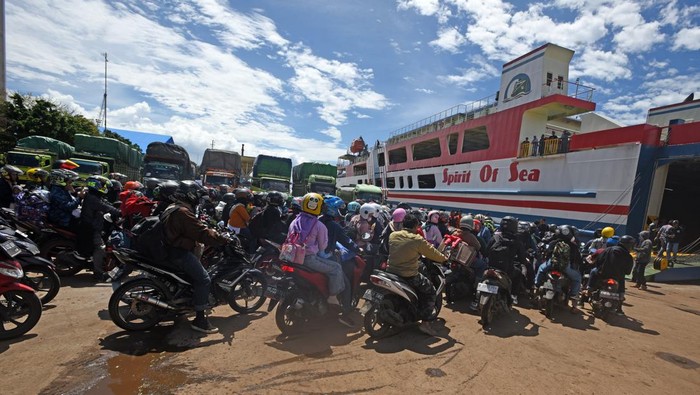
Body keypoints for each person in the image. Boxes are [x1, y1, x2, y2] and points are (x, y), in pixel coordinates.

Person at [163, 180, 229, 334]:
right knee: (204, 279)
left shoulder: (173, 207)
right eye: (198, 195)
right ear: (191, 195)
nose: (199, 199)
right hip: (178, 252)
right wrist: (219, 238)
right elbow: (200, 232)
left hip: (168, 249)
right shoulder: (182, 212)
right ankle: (200, 319)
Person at [386, 213, 448, 336]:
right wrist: (445, 259)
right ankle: (425, 324)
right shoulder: (417, 240)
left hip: (391, 272)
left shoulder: (393, 235)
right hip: (408, 274)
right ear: (415, 226)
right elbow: (433, 253)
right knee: (430, 292)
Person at [288, 193, 347, 309]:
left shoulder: (295, 221)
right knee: (336, 268)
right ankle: (332, 296)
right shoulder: (319, 225)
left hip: (290, 256)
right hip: (308, 259)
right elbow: (322, 247)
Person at [318, 195, 359, 327]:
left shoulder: (318, 221)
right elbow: (346, 241)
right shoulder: (333, 225)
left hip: (313, 256)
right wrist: (358, 249)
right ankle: (344, 314)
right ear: (333, 209)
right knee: (345, 285)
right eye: (339, 208)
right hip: (326, 257)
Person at [77, 176, 121, 281]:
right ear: (98, 186)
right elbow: (105, 207)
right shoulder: (92, 198)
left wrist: (118, 207)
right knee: (100, 249)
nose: (106, 188)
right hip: (90, 228)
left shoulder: (94, 196)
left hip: (93, 226)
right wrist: (119, 212)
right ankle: (98, 273)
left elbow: (106, 204)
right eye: (104, 185)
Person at [534, 225, 584, 312]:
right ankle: (574, 302)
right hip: (566, 268)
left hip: (551, 265)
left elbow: (547, 254)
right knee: (577, 279)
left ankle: (535, 287)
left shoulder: (553, 243)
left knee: (541, 269)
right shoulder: (573, 246)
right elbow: (578, 260)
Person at [485, 216, 530, 305]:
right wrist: (524, 262)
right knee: (519, 274)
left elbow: (486, 251)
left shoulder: (495, 237)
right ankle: (513, 296)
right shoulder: (517, 240)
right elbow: (522, 258)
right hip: (507, 270)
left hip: (490, 267)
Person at [586, 234, 635, 315]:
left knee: (593, 272)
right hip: (617, 277)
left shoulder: (607, 250)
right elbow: (628, 271)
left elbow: (598, 261)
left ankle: (589, 289)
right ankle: (620, 306)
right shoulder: (628, 256)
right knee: (621, 284)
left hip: (602, 274)